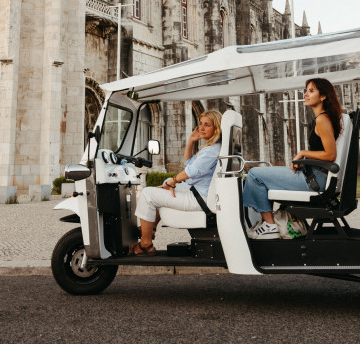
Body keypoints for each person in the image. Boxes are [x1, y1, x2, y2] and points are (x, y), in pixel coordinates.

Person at [243, 78, 343, 240]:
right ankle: (268, 222)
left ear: (323, 96)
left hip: (315, 180)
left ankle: (269, 225)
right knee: (262, 175)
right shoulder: (323, 118)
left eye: (311, 91)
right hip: (315, 175)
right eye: (306, 90)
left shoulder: (322, 120)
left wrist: (303, 153)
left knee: (255, 175)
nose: (306, 94)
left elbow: (330, 155)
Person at [130, 110, 223, 255]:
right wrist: (191, 141)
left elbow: (189, 172)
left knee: (147, 193)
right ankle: (151, 227)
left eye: (207, 125)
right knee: (165, 183)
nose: (201, 128)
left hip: (200, 199)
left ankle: (145, 243)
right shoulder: (213, 147)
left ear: (216, 128)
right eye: (200, 124)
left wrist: (173, 182)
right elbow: (188, 164)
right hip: (201, 193)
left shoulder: (211, 151)